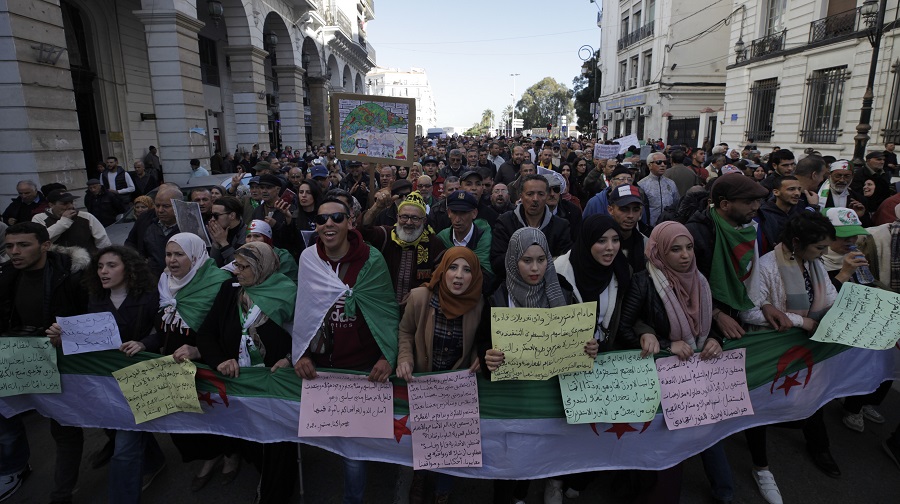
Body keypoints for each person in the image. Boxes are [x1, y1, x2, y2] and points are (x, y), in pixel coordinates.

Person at [292, 197, 399, 504]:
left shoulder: (372, 259)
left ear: (350, 221)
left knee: (353, 452)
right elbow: (305, 309)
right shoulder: (308, 259)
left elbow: (386, 311)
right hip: (324, 364)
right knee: (332, 439)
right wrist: (301, 353)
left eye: (336, 217)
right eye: (322, 219)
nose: (328, 224)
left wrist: (387, 356)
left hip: (362, 367)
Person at [479, 227, 597, 504]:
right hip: (514, 399)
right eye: (526, 260)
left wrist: (590, 348)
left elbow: (581, 342)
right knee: (512, 459)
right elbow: (483, 345)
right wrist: (488, 358)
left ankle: (546, 484)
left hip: (551, 397)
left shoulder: (565, 293)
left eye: (541, 260)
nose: (535, 268)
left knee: (546, 449)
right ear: (512, 260)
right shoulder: (496, 295)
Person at [618, 221, 731, 504]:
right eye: (675, 249)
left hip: (699, 372)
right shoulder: (645, 283)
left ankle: (725, 491)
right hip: (663, 378)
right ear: (658, 252)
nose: (686, 256)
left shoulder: (701, 281)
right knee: (668, 443)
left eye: (689, 247)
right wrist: (667, 345)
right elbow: (624, 328)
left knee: (708, 432)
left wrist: (717, 340)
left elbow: (708, 326)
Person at [46, 245, 165, 503]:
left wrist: (145, 343)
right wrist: (62, 336)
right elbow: (92, 337)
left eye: (111, 265)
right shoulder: (96, 299)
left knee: (124, 450)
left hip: (140, 378)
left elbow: (164, 332)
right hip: (108, 382)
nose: (103, 271)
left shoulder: (151, 296)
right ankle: (155, 462)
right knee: (125, 433)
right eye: (100, 266)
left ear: (129, 269)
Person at [738, 211, 842, 490]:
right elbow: (748, 313)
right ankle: (761, 467)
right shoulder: (767, 266)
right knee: (760, 405)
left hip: (806, 345)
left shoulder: (816, 264)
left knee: (811, 394)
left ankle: (820, 447)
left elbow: (828, 296)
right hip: (773, 348)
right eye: (819, 247)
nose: (824, 253)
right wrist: (800, 321)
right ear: (796, 243)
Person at [196, 242, 298, 502]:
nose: (236, 272)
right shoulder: (229, 291)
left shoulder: (288, 293)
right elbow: (207, 333)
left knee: (277, 447)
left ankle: (275, 494)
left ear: (261, 267)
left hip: (274, 385)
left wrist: (290, 359)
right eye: (235, 265)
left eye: (243, 267)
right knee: (251, 441)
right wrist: (220, 360)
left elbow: (308, 337)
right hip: (240, 384)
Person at [0, 222, 90, 504]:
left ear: (45, 245)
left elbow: (93, 319)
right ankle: (16, 468)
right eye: (10, 246)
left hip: (69, 364)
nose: (15, 252)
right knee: (8, 415)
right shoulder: (6, 276)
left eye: (23, 245)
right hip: (22, 359)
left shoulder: (73, 275)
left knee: (69, 426)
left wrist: (67, 335)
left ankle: (61, 493)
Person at [395, 247, 485, 504]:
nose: (458, 276)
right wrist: (405, 359)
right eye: (453, 268)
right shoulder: (420, 297)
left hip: (456, 388)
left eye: (467, 270)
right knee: (423, 434)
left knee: (452, 442)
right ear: (442, 271)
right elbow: (405, 332)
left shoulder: (479, 303)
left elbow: (480, 340)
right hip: (425, 383)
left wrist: (481, 354)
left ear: (475, 275)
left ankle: (442, 491)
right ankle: (420, 479)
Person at [156, 233, 237, 491]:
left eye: (179, 254)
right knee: (185, 421)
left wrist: (200, 350)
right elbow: (157, 324)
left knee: (217, 415)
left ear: (195, 255)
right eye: (169, 254)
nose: (172, 260)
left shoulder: (219, 282)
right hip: (172, 361)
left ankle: (230, 455)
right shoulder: (164, 282)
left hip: (207, 360)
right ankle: (208, 457)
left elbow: (227, 331)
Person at [360, 191, 445, 304]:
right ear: (397, 217)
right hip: (385, 308)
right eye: (404, 216)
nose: (408, 222)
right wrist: (377, 207)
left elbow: (442, 279)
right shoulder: (387, 235)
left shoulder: (434, 243)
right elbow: (362, 230)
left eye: (415, 218)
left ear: (424, 221)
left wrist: (422, 292)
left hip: (417, 309)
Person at [125, 185, 182, 279]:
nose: (160, 210)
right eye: (157, 205)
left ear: (178, 205)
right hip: (152, 280)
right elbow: (130, 243)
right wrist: (139, 261)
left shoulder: (190, 226)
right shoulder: (147, 223)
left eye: (166, 206)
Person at [32, 189, 112, 255]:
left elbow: (103, 241)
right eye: (65, 203)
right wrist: (64, 221)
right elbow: (39, 239)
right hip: (56, 266)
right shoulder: (39, 218)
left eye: (71, 202)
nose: (70, 206)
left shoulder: (86, 216)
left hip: (86, 264)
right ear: (51, 205)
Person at [637, 152, 679, 226]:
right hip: (650, 226)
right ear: (650, 165)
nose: (663, 165)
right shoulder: (642, 184)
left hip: (669, 225)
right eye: (659, 162)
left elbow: (676, 203)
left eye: (665, 162)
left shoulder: (671, 183)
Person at [207, 196, 246, 267]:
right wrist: (216, 244)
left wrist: (223, 243)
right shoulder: (220, 232)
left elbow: (238, 265)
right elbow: (214, 265)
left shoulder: (247, 233)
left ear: (232, 215)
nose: (212, 219)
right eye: (211, 215)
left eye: (216, 215)